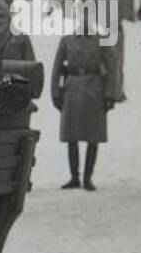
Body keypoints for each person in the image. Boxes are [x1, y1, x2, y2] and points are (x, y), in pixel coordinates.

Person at [51, 15, 120, 190]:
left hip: (94, 91)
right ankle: (74, 177)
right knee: (71, 136)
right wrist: (56, 93)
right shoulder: (67, 40)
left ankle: (88, 178)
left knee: (93, 136)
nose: (85, 23)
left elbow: (113, 69)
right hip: (72, 90)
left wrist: (110, 95)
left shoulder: (102, 40)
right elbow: (56, 69)